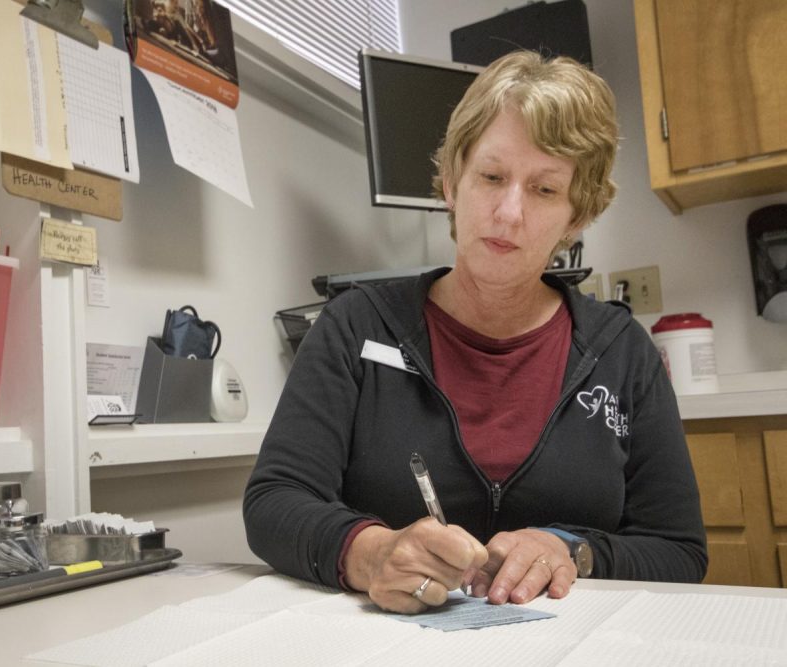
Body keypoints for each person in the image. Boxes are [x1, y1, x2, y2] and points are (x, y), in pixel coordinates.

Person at [242, 50, 707, 614]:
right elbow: (274, 501)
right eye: (491, 176)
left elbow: (678, 549)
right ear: (450, 182)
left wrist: (573, 550)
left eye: (544, 190)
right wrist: (372, 552)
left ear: (577, 215)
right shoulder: (355, 325)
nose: (509, 212)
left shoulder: (621, 349)